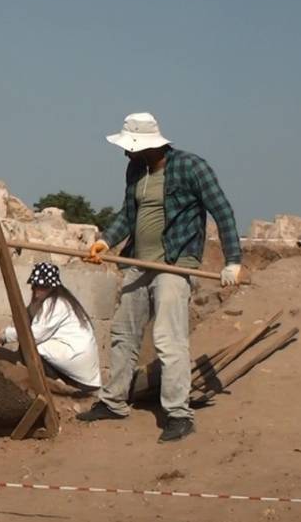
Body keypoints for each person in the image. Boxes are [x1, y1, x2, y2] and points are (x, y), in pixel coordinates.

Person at [76, 112, 242, 443]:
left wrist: (233, 261)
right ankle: (113, 402)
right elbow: (128, 214)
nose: (126, 153)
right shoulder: (136, 170)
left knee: (168, 338)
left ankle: (178, 414)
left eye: (130, 147)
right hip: (138, 261)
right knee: (124, 333)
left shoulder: (191, 167)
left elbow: (222, 210)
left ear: (146, 145)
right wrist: (106, 241)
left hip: (175, 262)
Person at [0, 262, 101, 392]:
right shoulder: (49, 302)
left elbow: (35, 335)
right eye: (35, 287)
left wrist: (7, 335)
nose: (37, 292)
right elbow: (26, 323)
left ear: (52, 287)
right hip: (80, 367)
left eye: (42, 287)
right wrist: (4, 332)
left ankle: (58, 385)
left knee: (30, 348)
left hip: (79, 367)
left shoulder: (56, 304)